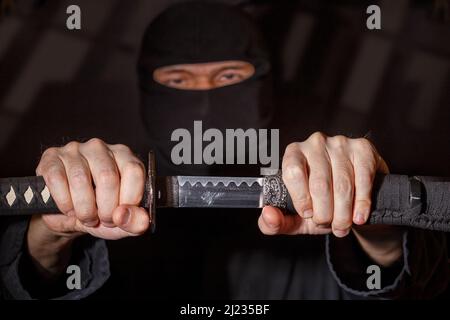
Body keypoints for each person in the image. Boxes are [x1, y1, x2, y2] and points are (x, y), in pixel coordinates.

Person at [1, 1, 448, 299]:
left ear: (264, 86)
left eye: (229, 76)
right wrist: (47, 239)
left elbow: (400, 286)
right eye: (178, 81)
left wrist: (377, 227)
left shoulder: (311, 190)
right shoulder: (109, 199)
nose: (205, 97)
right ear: (145, 89)